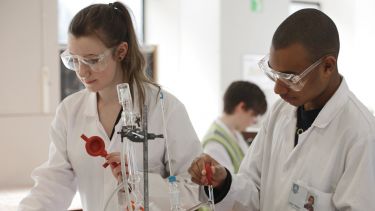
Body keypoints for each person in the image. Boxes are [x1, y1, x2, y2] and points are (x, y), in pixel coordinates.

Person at [18, 2, 201, 211]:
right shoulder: (70, 111)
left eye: (92, 60)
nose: (82, 72)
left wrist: (138, 179)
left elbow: (193, 190)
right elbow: (53, 185)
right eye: (74, 60)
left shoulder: (165, 109)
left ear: (121, 51)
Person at [188, 8, 375, 210]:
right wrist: (224, 183)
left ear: (327, 67)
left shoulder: (361, 135)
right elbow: (254, 190)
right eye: (274, 75)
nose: (278, 89)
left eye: (290, 78)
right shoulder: (280, 113)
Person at [202, 81, 267, 173]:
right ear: (241, 107)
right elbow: (225, 183)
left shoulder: (234, 133)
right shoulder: (214, 144)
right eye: (253, 115)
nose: (254, 121)